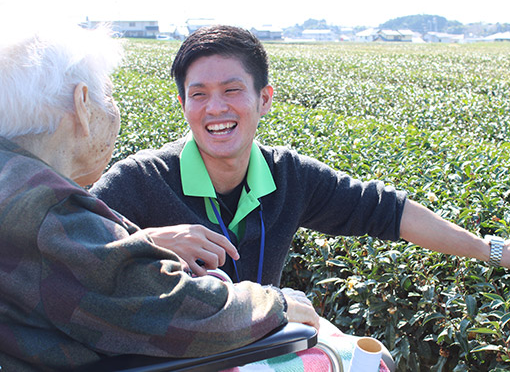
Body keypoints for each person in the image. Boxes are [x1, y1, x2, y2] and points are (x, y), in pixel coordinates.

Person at [90, 25, 510, 368]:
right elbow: (55, 250)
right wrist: (145, 240)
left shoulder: (289, 177)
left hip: (255, 353)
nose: (216, 109)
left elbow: (386, 211)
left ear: (264, 99)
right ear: (184, 105)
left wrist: (494, 249)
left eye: (232, 91)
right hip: (163, 362)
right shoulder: (141, 179)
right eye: (198, 94)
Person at [0, 24, 320, 372]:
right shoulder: (49, 210)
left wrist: (143, 240)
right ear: (81, 105)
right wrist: (277, 305)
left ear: (264, 99)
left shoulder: (15, 179)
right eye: (107, 95)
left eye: (231, 90)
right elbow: (160, 307)